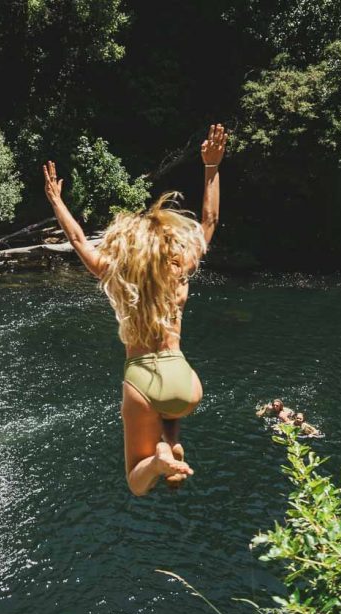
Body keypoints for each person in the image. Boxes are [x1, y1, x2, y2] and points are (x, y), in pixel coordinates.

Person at [42, 123, 227, 496]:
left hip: (142, 380)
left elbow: (77, 237)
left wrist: (57, 201)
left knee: (136, 481)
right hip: (184, 381)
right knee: (170, 413)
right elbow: (209, 222)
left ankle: (159, 461)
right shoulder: (180, 269)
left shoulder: (113, 271)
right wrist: (212, 166)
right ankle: (169, 443)